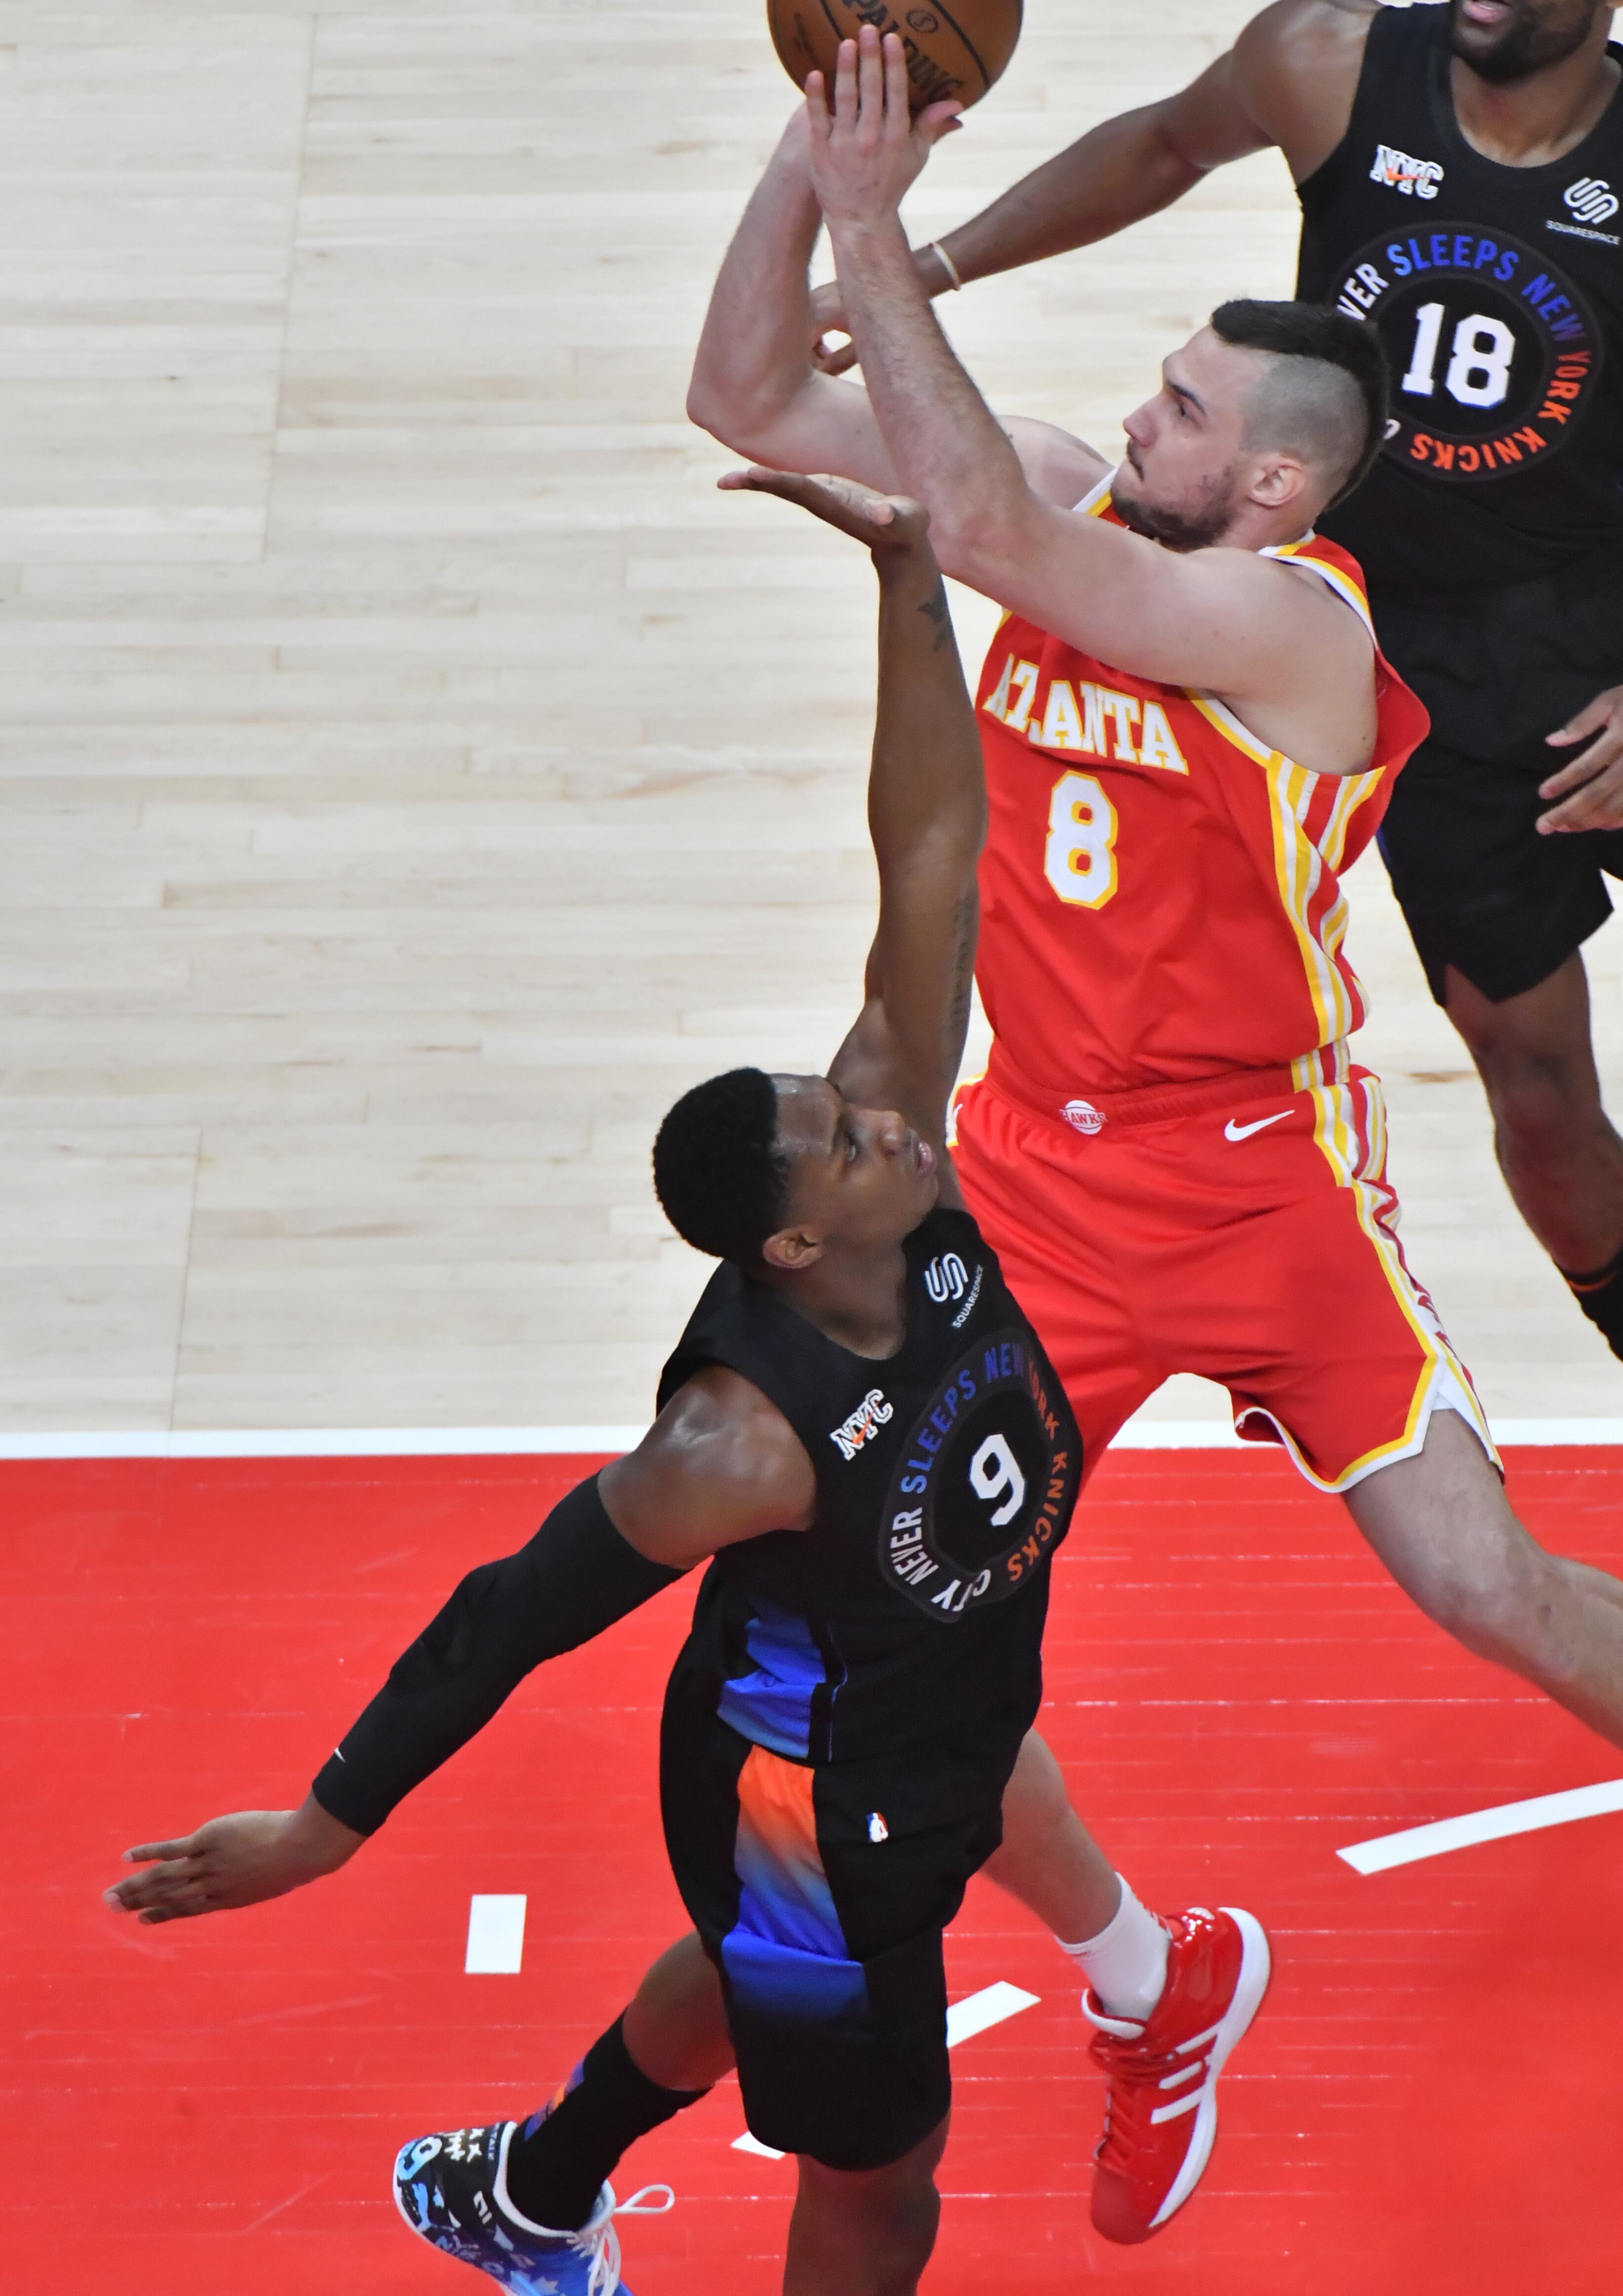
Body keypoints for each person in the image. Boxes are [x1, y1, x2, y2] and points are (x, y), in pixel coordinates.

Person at [684, 20, 1623, 2136]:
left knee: (1478, 1581)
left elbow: (975, 515)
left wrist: (884, 227)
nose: (1133, 411)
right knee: (907, 1628)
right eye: (1152, 384)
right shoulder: (1076, 495)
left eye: (1178, 403)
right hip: (1025, 1186)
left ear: (1266, 481)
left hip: (1260, 1181)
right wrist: (809, 158)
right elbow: (744, 392)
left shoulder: (1293, 631)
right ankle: (1151, 1984)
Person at [102, 466, 1268, 2294]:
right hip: (809, 1804)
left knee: (751, 1986)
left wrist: (910, 578)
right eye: (846, 1142)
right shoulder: (737, 1438)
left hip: (937, 1728)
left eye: (851, 1107)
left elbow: (930, 861)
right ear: (792, 1248)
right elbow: (518, 1611)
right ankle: (547, 2193)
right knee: (883, 2178)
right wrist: (323, 1830)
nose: (887, 1119)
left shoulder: (912, 1183)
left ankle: (539, 2191)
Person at [806, 0, 1623, 1637]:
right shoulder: (1332, 61)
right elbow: (1160, 145)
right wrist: (940, 265)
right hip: (1400, 671)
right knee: (1535, 1084)